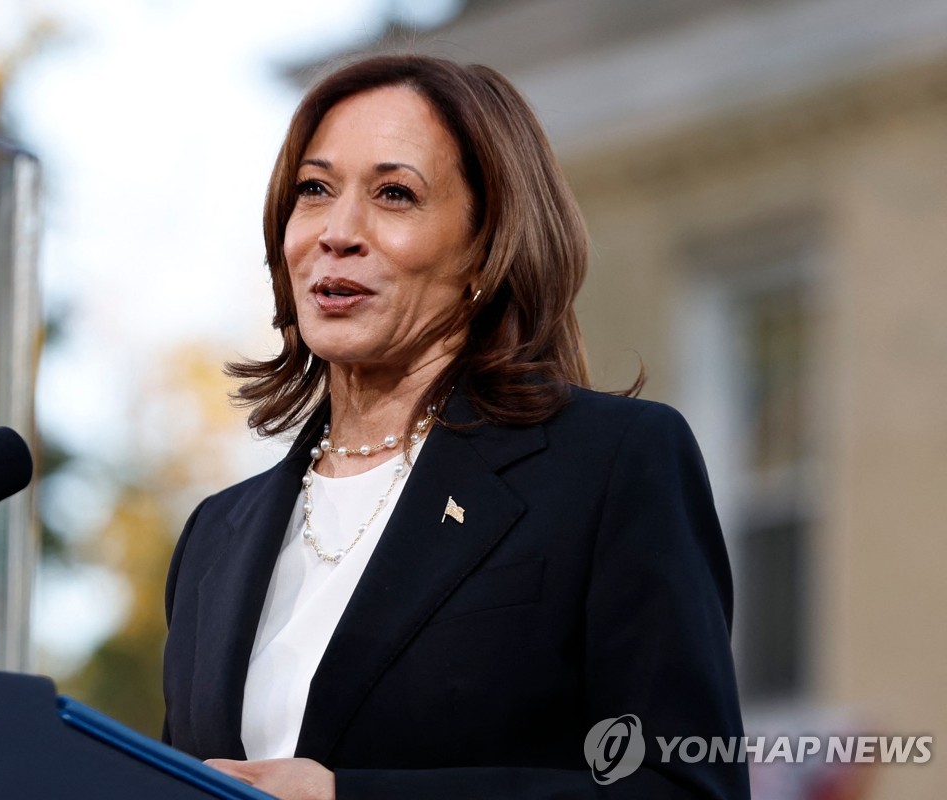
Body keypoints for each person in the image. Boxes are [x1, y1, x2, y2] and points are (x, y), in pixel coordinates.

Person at [162, 54, 749, 799]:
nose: (337, 232)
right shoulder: (216, 536)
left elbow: (684, 790)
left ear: (486, 246)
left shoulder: (611, 465)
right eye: (314, 190)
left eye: (395, 194)